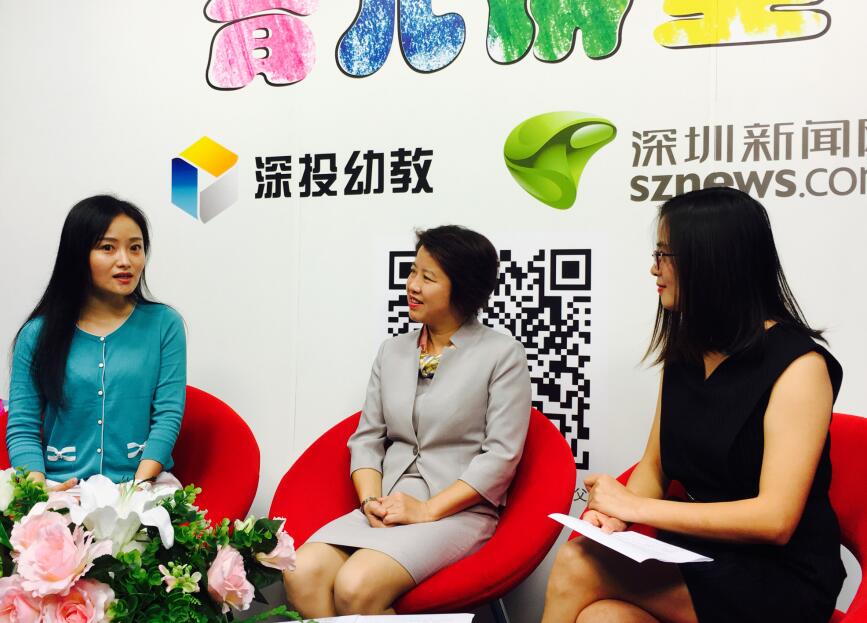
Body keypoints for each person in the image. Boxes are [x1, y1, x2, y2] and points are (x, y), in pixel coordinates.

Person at [542, 187, 845, 623]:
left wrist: (635, 508)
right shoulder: (685, 354)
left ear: (712, 261)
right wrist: (613, 518)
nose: (654, 268)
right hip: (695, 554)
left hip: (779, 579)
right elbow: (654, 467)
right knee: (603, 618)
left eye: (664, 255)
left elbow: (775, 520)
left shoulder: (800, 367)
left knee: (578, 562)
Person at [283, 225, 532, 617]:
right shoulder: (392, 351)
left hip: (458, 511)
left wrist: (428, 510)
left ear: (463, 288)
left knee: (355, 585)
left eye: (428, 278)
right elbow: (366, 439)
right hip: (390, 505)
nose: (412, 285)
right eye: (413, 271)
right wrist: (370, 501)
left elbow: (501, 457)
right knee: (301, 572)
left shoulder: (502, 355)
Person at [7, 195, 186, 489]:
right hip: (58, 486)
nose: (125, 261)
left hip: (141, 486)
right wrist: (40, 493)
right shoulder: (37, 334)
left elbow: (167, 416)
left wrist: (136, 489)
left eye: (135, 247)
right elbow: (23, 426)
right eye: (107, 247)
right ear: (78, 254)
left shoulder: (165, 325)